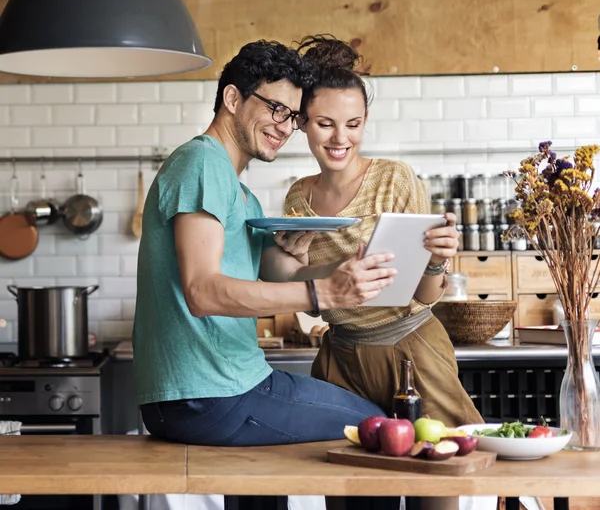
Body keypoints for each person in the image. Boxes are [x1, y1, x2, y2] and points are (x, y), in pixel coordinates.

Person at [132, 39, 398, 447]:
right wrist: (322, 292)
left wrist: (342, 267)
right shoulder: (202, 164)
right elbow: (202, 292)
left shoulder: (241, 192)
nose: (285, 126)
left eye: (293, 116)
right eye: (275, 108)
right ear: (233, 98)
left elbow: (279, 272)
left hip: (211, 392)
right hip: (214, 393)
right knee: (378, 425)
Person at [278, 36, 487, 510]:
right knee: (351, 495)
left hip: (412, 353)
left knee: (435, 487)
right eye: (324, 123)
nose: (339, 138)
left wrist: (437, 259)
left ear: (365, 122)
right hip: (341, 360)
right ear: (302, 124)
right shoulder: (298, 198)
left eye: (352, 124)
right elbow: (296, 280)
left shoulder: (395, 179)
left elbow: (427, 293)